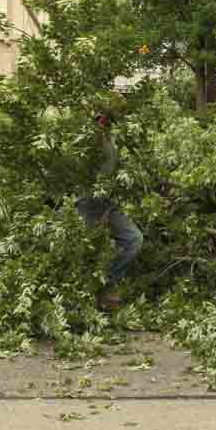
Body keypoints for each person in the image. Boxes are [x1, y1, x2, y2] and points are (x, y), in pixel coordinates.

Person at [76, 97, 143, 309]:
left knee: (134, 239)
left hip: (108, 202)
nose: (104, 122)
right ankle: (82, 297)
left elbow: (111, 173)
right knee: (85, 250)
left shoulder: (111, 140)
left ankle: (107, 286)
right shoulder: (85, 140)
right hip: (85, 203)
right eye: (102, 118)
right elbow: (76, 175)